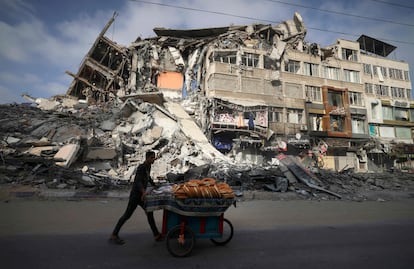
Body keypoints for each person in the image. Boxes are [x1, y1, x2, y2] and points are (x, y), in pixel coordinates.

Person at [109, 151, 163, 245]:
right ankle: (114, 234)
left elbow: (148, 177)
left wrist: (154, 185)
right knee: (127, 215)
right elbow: (138, 182)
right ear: (147, 158)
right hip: (136, 196)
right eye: (152, 157)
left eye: (154, 157)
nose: (153, 159)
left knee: (149, 213)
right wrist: (143, 192)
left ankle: (156, 234)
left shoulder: (148, 166)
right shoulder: (141, 167)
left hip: (142, 196)